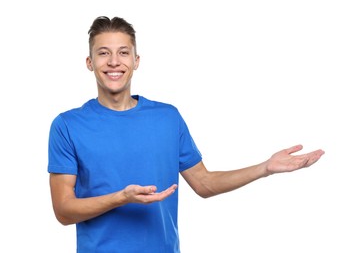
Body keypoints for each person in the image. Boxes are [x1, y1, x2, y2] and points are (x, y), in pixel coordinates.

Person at [47, 16, 325, 253]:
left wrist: (265, 168)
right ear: (89, 61)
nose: (114, 62)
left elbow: (203, 183)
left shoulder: (167, 118)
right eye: (103, 53)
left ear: (136, 60)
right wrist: (121, 197)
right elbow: (63, 211)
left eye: (123, 52)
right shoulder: (68, 125)